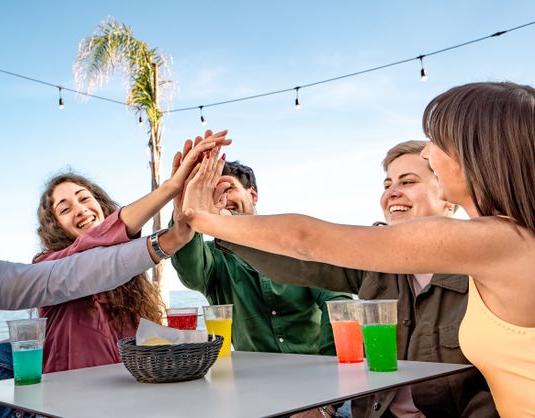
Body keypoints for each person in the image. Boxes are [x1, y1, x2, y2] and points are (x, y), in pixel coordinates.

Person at [182, 82, 535, 418]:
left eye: (438, 142)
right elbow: (302, 259)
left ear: (479, 152)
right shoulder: (502, 237)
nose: (428, 152)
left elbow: (307, 239)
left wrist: (203, 217)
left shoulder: (493, 241)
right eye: (388, 183)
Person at [0, 133, 224, 418]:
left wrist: (177, 229)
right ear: (53, 224)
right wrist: (169, 202)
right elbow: (75, 269)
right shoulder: (49, 263)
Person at [215, 141, 497, 417]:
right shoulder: (373, 262)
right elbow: (301, 260)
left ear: (449, 197)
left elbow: (501, 382)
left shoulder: (487, 266)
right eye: (387, 185)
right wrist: (221, 221)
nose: (392, 193)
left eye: (408, 182)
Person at [0, 132, 230, 418]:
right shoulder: (48, 267)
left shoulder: (133, 282)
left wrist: (183, 216)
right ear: (55, 226)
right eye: (65, 209)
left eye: (85, 198)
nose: (81, 210)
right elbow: (95, 254)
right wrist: (171, 188)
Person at [170, 160, 351, 356]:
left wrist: (330, 362)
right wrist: (188, 208)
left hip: (315, 368)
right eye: (211, 191)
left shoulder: (292, 244)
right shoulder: (212, 258)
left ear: (253, 195)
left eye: (228, 188)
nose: (221, 197)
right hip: (251, 379)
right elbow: (189, 269)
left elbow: (337, 301)